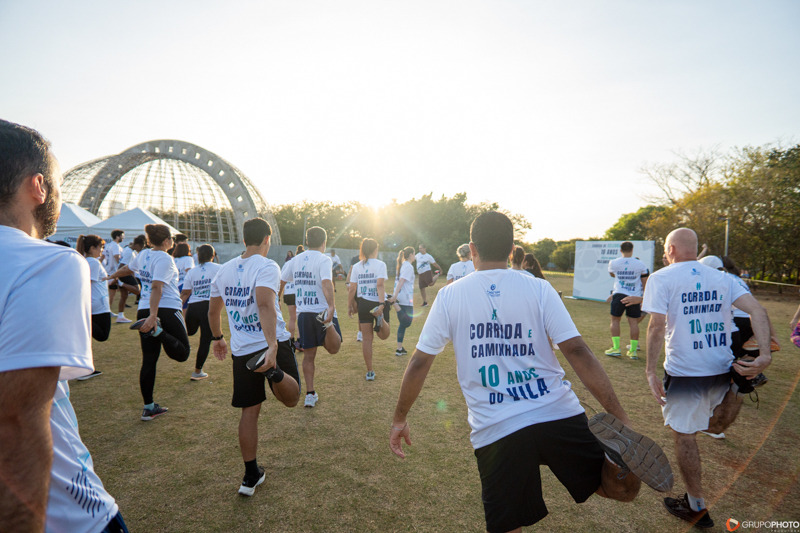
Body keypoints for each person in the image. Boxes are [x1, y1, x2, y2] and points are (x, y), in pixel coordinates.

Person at [390, 211, 673, 533]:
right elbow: (577, 351)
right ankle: (617, 460)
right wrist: (619, 417)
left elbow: (419, 362)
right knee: (616, 490)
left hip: (497, 426)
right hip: (556, 410)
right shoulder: (539, 287)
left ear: (473, 249)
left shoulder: (450, 295)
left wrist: (399, 418)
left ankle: (617, 457)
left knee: (508, 524)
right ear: (512, 249)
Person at [0, 119, 126, 532]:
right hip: (71, 517)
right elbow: (16, 425)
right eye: (56, 183)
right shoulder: (47, 262)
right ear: (38, 186)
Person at [643, 228, 773, 529]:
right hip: (721, 365)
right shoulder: (723, 278)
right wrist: (764, 354)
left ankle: (695, 505)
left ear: (671, 249)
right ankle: (738, 388)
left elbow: (656, 326)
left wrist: (650, 371)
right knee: (712, 426)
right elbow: (758, 310)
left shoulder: (662, 277)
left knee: (684, 434)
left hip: (686, 371)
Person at [208, 217, 300, 496]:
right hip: (271, 343)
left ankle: (250, 476)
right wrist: (271, 347)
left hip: (243, 350)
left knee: (250, 411)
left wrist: (218, 338)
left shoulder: (223, 270)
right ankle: (273, 371)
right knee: (292, 399)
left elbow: (213, 311)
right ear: (267, 240)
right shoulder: (267, 265)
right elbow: (264, 304)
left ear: (244, 239)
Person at [107, 223, 191, 420]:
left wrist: (112, 275)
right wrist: (154, 316)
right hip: (165, 309)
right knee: (183, 354)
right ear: (167, 241)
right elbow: (156, 287)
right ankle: (158, 331)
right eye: (171, 239)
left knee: (149, 359)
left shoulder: (144, 254)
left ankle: (149, 407)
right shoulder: (164, 258)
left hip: (144, 309)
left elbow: (128, 268)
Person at [281, 226, 342, 407]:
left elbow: (281, 280)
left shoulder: (295, 260)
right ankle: (328, 325)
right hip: (321, 310)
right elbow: (326, 282)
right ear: (324, 242)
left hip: (304, 314)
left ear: (307, 242)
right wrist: (331, 306)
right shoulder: (324, 259)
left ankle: (310, 394)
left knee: (309, 356)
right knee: (334, 348)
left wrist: (276, 299)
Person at [348, 238, 390, 380]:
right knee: (384, 335)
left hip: (363, 304)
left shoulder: (356, 266)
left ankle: (370, 371)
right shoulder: (380, 264)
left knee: (367, 339)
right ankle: (380, 318)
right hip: (377, 302)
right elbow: (380, 285)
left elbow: (352, 288)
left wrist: (349, 305)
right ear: (375, 249)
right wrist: (382, 304)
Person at [180, 244, 221, 381]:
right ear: (213, 255)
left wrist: (176, 308)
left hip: (193, 306)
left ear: (198, 256)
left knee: (188, 332)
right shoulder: (219, 268)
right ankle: (197, 371)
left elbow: (185, 293)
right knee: (205, 340)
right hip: (209, 307)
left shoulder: (192, 271)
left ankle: (164, 333)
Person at [604, 241, 650, 360]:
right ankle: (633, 351)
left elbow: (612, 274)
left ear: (620, 250)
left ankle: (616, 348)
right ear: (632, 250)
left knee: (615, 320)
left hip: (619, 294)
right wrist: (643, 297)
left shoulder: (613, 263)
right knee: (633, 323)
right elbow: (644, 281)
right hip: (634, 296)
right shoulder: (640, 264)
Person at [76, 234, 112, 381]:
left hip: (95, 304)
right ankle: (83, 368)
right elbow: (87, 284)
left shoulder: (89, 261)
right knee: (102, 335)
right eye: (100, 247)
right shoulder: (93, 263)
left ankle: (85, 368)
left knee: (89, 335)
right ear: (92, 248)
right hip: (97, 305)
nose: (102, 250)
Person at [388, 247, 416, 356]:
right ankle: (395, 304)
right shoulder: (408, 266)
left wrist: (395, 295)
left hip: (401, 296)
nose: (415, 256)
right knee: (407, 322)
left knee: (403, 324)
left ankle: (399, 349)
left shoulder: (403, 265)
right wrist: (394, 297)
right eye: (414, 254)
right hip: (405, 298)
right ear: (410, 255)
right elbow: (401, 281)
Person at [117, 234, 145, 309]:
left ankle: (120, 314)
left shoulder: (128, 249)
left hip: (123, 273)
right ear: (136, 245)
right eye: (141, 247)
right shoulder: (129, 252)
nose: (141, 249)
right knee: (137, 290)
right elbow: (122, 265)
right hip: (124, 274)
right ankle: (121, 283)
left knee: (124, 296)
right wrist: (118, 276)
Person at [104, 229, 126, 321]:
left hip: (108, 270)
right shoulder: (115, 246)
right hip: (112, 272)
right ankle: (107, 311)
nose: (123, 238)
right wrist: (121, 270)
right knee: (112, 293)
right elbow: (117, 258)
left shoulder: (109, 245)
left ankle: (107, 310)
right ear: (117, 236)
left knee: (109, 293)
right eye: (122, 236)